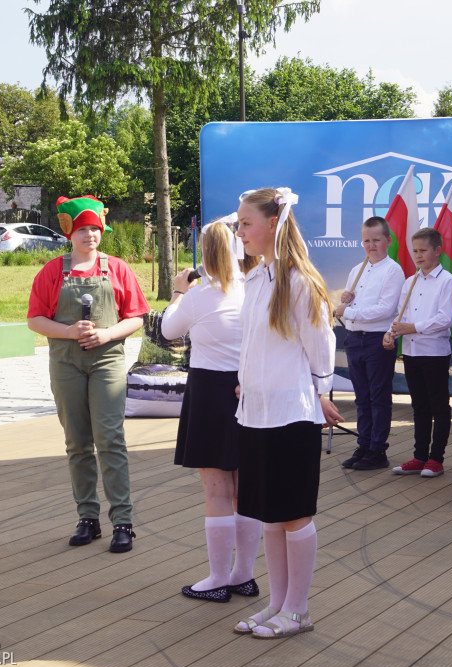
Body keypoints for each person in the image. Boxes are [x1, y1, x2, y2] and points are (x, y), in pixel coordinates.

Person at [231, 187, 339, 640]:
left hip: (291, 415)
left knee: (294, 514)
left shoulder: (299, 282)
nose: (239, 231)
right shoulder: (257, 277)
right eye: (238, 224)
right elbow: (253, 346)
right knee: (270, 515)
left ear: (272, 224)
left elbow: (322, 352)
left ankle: (298, 609)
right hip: (255, 414)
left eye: (246, 223)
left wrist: (320, 395)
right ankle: (277, 603)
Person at [27, 195, 149, 553]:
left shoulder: (118, 268)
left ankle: (123, 521)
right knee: (77, 442)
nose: (90, 236)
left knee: (110, 438)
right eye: (82, 230)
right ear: (70, 233)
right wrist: (69, 331)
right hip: (65, 362)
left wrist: (107, 334)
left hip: (107, 360)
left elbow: (137, 317)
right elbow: (35, 319)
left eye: (94, 229)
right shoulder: (52, 271)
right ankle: (88, 518)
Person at [160, 215, 262, 604]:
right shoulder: (253, 289)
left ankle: (219, 577)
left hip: (209, 390)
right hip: (246, 389)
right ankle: (243, 575)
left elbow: (169, 330)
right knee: (244, 487)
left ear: (204, 252)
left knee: (217, 489)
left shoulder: (200, 294)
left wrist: (178, 292)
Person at [383, 227, 452, 477]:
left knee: (439, 404)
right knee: (419, 406)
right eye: (414, 251)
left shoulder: (447, 280)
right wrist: (391, 332)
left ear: (437, 251)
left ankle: (436, 458)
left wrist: (413, 327)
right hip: (412, 352)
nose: (418, 255)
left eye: (423, 250)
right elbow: (401, 315)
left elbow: (446, 318)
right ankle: (419, 456)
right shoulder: (410, 281)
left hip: (434, 352)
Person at [334, 216, 404, 471]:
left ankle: (378, 450)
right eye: (366, 240)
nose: (371, 245)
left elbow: (386, 310)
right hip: (355, 339)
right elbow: (352, 303)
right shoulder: (357, 269)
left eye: (376, 240)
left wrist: (347, 311)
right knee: (362, 397)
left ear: (388, 240)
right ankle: (363, 445)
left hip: (376, 340)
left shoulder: (392, 270)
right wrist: (348, 299)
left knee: (378, 396)